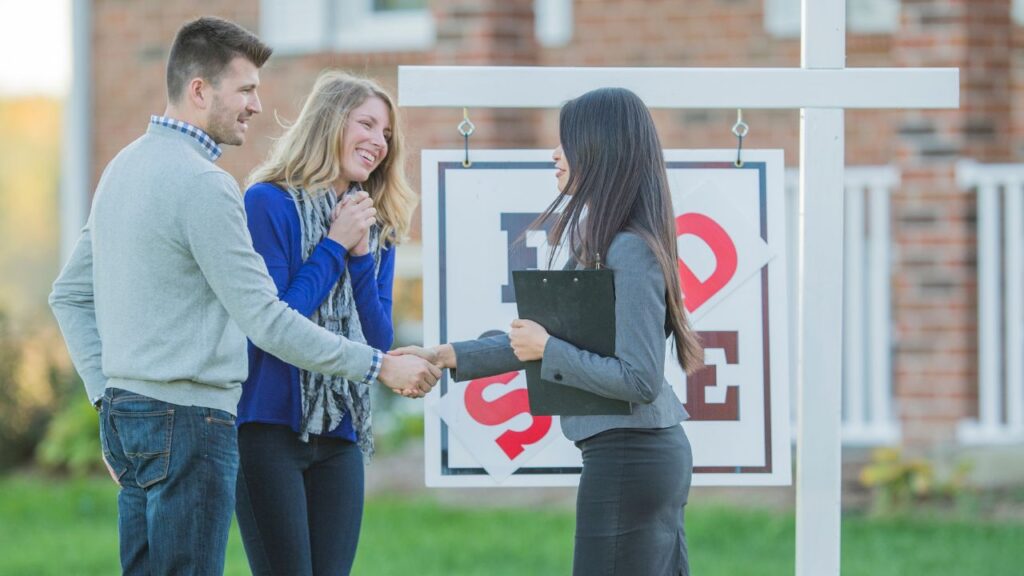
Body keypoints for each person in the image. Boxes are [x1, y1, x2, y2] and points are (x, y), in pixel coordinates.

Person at [48, 17, 438, 575]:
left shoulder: (121, 168)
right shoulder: (213, 188)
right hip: (196, 420)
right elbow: (267, 319)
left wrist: (106, 398)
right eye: (247, 89)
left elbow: (68, 296)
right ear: (200, 90)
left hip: (136, 414)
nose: (257, 105)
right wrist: (376, 365)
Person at [394, 87, 704, 576]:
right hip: (630, 455)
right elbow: (537, 342)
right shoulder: (609, 242)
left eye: (568, 143)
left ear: (601, 150)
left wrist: (550, 347)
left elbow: (640, 379)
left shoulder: (630, 250)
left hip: (632, 457)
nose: (554, 154)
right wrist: (443, 355)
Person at [233, 71, 416, 576]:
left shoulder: (375, 222)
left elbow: (377, 339)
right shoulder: (266, 203)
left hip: (340, 433)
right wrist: (334, 246)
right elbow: (275, 323)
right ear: (330, 122)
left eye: (387, 134)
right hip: (268, 428)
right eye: (368, 124)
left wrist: (359, 256)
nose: (379, 143)